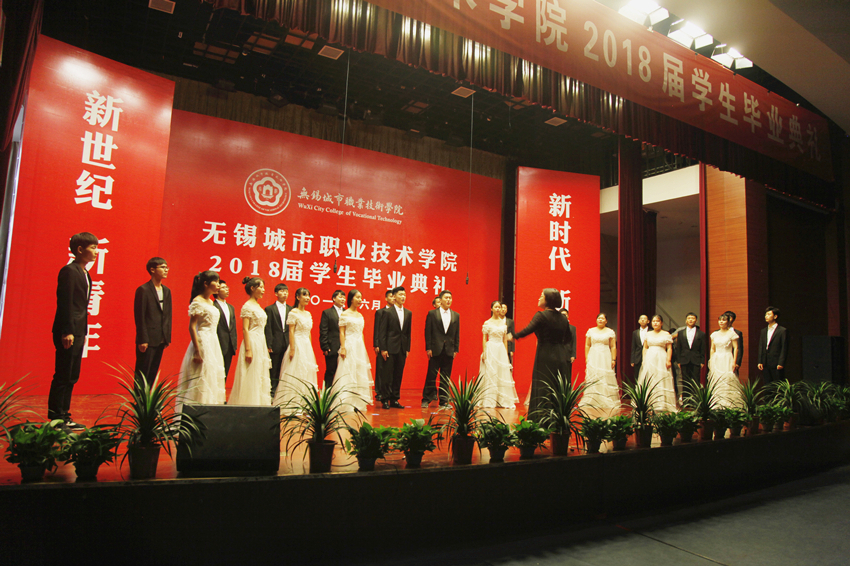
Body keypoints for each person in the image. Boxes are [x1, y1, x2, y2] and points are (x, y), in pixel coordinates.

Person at [49, 232, 97, 430]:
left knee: (72, 375)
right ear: (79, 249)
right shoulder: (69, 271)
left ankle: (64, 415)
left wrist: (82, 332)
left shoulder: (84, 272)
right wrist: (67, 331)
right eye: (92, 247)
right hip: (68, 331)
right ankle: (56, 418)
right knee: (63, 374)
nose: (96, 251)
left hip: (78, 330)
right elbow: (66, 303)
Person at [509, 288, 571, 419]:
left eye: (541, 296)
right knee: (556, 387)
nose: (539, 298)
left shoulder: (541, 316)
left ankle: (540, 420)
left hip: (545, 355)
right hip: (560, 356)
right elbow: (568, 338)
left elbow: (528, 330)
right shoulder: (563, 318)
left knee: (542, 386)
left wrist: (514, 335)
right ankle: (556, 421)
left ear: (548, 300)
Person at [177, 270, 226, 409]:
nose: (218, 285)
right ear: (206, 283)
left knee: (211, 376)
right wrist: (197, 350)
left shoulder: (211, 302)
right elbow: (192, 327)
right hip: (203, 341)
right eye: (216, 281)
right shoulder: (197, 301)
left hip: (213, 342)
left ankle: (210, 409)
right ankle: (195, 411)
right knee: (200, 376)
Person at [273, 287, 319, 412]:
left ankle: (305, 405)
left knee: (306, 373)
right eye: (304, 295)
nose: (307, 298)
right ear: (298, 297)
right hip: (297, 344)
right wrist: (292, 348)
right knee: (295, 372)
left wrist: (310, 347)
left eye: (308, 295)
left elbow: (309, 332)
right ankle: (292, 404)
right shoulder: (293, 312)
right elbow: (291, 331)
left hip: (306, 346)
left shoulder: (308, 314)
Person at [229, 277, 272, 405]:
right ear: (252, 288)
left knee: (259, 373)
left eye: (264, 287)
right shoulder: (247, 306)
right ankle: (248, 404)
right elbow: (245, 329)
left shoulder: (258, 306)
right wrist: (248, 349)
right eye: (261, 287)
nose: (263, 290)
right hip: (252, 342)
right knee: (250, 373)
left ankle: (258, 404)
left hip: (261, 342)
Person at [133, 257, 172, 388]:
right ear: (152, 270)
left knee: (152, 373)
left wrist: (166, 337)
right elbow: (140, 317)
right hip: (148, 339)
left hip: (160, 338)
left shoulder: (166, 291)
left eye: (167, 267)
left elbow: (167, 315)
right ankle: (139, 398)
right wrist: (142, 339)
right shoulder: (143, 290)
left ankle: (148, 398)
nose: (166, 270)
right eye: (163, 267)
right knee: (142, 372)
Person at [332, 289, 373, 412]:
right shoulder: (345, 314)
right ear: (351, 299)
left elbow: (361, 333)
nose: (360, 300)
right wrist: (343, 347)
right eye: (357, 297)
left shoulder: (360, 315)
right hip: (349, 345)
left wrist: (363, 348)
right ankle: (345, 402)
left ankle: (358, 402)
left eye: (361, 298)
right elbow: (342, 332)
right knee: (347, 372)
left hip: (359, 346)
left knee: (359, 373)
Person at [423, 289, 460, 408]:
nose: (448, 300)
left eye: (450, 298)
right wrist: (428, 348)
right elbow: (428, 331)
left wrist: (456, 349)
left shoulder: (455, 315)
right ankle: (426, 399)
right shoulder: (432, 314)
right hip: (435, 348)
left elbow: (457, 333)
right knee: (431, 375)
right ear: (440, 300)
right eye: (446, 298)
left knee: (445, 377)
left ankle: (443, 401)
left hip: (449, 349)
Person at [377, 286, 412, 409]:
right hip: (390, 348)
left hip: (402, 348)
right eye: (400, 295)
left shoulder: (408, 313)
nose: (403, 297)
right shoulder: (387, 312)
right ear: (394, 296)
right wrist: (383, 348)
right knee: (387, 375)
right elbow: (382, 332)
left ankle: (394, 399)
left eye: (404, 295)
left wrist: (407, 348)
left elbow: (408, 332)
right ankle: (385, 399)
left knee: (398, 374)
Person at [478, 301, 517, 408]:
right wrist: (484, 352)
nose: (498, 309)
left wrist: (506, 353)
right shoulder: (487, 323)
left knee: (501, 373)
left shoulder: (503, 323)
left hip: (500, 349)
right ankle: (489, 399)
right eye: (496, 307)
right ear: (491, 309)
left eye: (499, 307)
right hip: (491, 348)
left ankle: (501, 400)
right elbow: (484, 339)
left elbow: (505, 340)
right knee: (491, 373)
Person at [579, 313, 620, 415]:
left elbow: (613, 346)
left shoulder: (610, 332)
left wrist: (613, 359)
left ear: (606, 321)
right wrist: (587, 357)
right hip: (593, 355)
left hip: (605, 356)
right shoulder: (591, 331)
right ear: (596, 320)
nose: (600, 320)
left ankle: (606, 399)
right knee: (593, 376)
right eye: (599, 318)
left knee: (604, 376)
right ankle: (592, 400)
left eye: (602, 318)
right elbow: (587, 345)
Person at [637, 315, 676, 412]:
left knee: (661, 377)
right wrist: (644, 359)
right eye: (654, 321)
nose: (655, 323)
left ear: (661, 323)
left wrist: (668, 360)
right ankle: (648, 402)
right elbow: (645, 347)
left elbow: (669, 348)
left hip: (661, 357)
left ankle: (662, 403)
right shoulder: (648, 334)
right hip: (650, 357)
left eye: (657, 321)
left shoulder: (666, 334)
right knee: (649, 378)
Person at [707, 313, 741, 408]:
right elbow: (712, 348)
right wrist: (711, 359)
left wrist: (734, 362)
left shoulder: (732, 334)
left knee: (727, 379)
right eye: (720, 320)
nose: (721, 322)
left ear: (728, 322)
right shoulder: (714, 334)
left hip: (727, 358)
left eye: (724, 320)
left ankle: (728, 403)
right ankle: (716, 403)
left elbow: (736, 348)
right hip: (717, 358)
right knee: (716, 379)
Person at [264, 283, 292, 399]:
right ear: (276, 293)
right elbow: (268, 327)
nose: (285, 293)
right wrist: (269, 344)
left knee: (285, 368)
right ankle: (272, 391)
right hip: (275, 342)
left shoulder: (291, 309)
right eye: (282, 291)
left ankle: (282, 393)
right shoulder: (270, 309)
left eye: (286, 291)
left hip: (287, 343)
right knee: (274, 368)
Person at [319, 290, 345, 388]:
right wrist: (325, 346)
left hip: (344, 346)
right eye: (340, 297)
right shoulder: (327, 312)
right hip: (332, 346)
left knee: (342, 372)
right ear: (334, 298)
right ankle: (327, 392)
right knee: (331, 370)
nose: (343, 299)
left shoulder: (347, 312)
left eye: (344, 297)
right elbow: (323, 330)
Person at [676, 313, 706, 395]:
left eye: (693, 318)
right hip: (684, 360)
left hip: (696, 360)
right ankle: (686, 400)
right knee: (685, 381)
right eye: (689, 318)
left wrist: (702, 361)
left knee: (696, 381)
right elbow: (678, 348)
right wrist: (679, 361)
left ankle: (695, 400)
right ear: (686, 320)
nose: (691, 320)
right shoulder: (681, 333)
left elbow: (703, 348)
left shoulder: (701, 334)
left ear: (696, 320)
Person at [372, 289, 394, 404]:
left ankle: (389, 392)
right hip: (382, 345)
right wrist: (376, 344)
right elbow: (377, 329)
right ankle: (379, 392)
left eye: (394, 296)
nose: (393, 298)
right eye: (390, 296)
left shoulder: (397, 312)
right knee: (381, 369)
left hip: (393, 345)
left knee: (391, 370)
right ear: (386, 298)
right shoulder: (380, 312)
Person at [214, 279, 237, 384]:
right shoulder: (213, 306)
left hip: (229, 345)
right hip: (218, 343)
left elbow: (233, 327)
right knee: (215, 371)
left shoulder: (231, 307)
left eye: (227, 287)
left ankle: (221, 392)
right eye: (223, 287)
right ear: (217, 290)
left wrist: (234, 343)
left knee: (225, 372)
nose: (227, 289)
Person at [758, 306, 788, 384]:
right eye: (765, 314)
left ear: (775, 316)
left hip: (776, 362)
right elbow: (761, 346)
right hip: (765, 362)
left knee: (777, 384)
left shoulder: (782, 330)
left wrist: (781, 362)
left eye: (768, 314)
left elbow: (784, 347)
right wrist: (760, 361)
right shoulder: (763, 331)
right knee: (767, 384)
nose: (766, 316)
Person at [630, 315, 649, 385]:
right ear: (638, 321)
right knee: (637, 376)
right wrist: (632, 360)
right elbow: (633, 347)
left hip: (648, 355)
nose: (643, 320)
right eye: (641, 319)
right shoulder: (635, 332)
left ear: (648, 321)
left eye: (644, 319)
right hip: (637, 357)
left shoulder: (651, 332)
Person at [725, 310, 744, 375]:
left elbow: (739, 349)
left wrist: (737, 363)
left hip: (732, 359)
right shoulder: (717, 332)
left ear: (732, 319)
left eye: (728, 318)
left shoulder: (737, 333)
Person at [560, 309, 577, 378]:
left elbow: (574, 341)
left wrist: (573, 355)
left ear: (568, 316)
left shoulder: (572, 328)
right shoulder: (555, 326)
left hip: (567, 354)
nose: (564, 316)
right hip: (557, 354)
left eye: (565, 314)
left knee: (567, 375)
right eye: (562, 314)